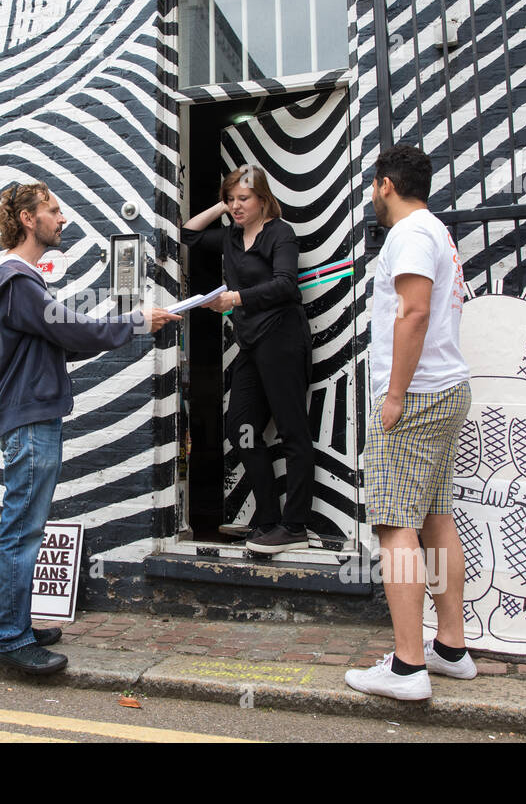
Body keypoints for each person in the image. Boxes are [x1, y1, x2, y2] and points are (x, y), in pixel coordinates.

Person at [0, 182, 179, 675]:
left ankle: (14, 622)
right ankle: (8, 638)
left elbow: (65, 341)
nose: (61, 219)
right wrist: (133, 321)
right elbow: (71, 330)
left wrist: (124, 328)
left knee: (25, 526)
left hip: (31, 415)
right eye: (53, 210)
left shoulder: (21, 284)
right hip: (29, 420)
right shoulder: (16, 283)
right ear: (28, 219)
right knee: (21, 530)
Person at [345, 144, 474, 701]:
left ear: (385, 185)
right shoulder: (435, 229)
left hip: (416, 397)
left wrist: (393, 393)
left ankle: (407, 667)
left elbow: (414, 311)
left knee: (394, 524)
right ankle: (450, 648)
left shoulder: (410, 234)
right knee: (436, 518)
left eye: (374, 187)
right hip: (445, 390)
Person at [182, 165, 315, 555]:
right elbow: (189, 234)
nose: (237, 206)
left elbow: (286, 284)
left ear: (262, 199)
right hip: (251, 344)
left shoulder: (280, 233)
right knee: (239, 427)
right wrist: (221, 206)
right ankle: (268, 519)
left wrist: (236, 299)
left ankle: (295, 524)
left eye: (244, 199)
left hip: (283, 340)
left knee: (292, 432)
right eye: (232, 200)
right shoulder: (231, 237)